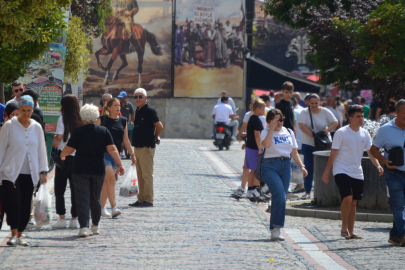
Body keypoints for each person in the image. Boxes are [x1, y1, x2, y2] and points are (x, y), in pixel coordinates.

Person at [60, 104, 125, 237]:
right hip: (98, 169)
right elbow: (112, 149)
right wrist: (120, 164)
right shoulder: (103, 131)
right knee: (95, 198)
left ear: (82, 117)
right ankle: (95, 226)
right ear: (96, 116)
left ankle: (84, 227)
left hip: (80, 169)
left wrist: (62, 155)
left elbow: (69, 149)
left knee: (82, 198)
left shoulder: (78, 131)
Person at [322, 105, 383, 239]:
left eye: (362, 116)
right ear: (350, 118)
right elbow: (333, 153)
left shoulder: (365, 133)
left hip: (357, 171)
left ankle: (351, 231)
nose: (361, 119)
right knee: (348, 197)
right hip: (341, 169)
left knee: (354, 202)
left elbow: (370, 152)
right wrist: (326, 172)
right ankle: (344, 227)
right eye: (358, 116)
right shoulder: (341, 132)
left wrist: (378, 165)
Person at [0, 96, 48, 246]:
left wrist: (43, 171)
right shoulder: (9, 126)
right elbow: (1, 149)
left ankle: (20, 234)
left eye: (29, 110)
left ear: (32, 110)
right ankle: (13, 234)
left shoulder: (36, 127)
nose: (26, 113)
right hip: (11, 172)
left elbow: (41, 150)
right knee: (13, 203)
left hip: (30, 173)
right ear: (18, 110)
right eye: (23, 110)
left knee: (26, 204)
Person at [260, 108, 307, 240]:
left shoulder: (288, 131)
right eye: (276, 120)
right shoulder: (265, 132)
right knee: (279, 194)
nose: (280, 122)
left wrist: (301, 166)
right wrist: (271, 129)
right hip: (270, 165)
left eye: (281, 119)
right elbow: (266, 144)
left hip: (285, 165)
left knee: (280, 197)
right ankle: (276, 229)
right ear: (269, 121)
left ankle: (275, 228)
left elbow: (294, 152)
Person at [370, 99, 405, 246]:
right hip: (394, 173)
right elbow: (373, 150)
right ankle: (403, 233)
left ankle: (394, 236)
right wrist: (384, 162)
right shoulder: (386, 129)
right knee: (398, 205)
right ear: (396, 112)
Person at [96, 98, 136, 217]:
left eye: (119, 105)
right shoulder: (102, 120)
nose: (118, 107)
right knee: (111, 180)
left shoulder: (123, 121)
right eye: (115, 105)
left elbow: (126, 140)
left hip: (116, 155)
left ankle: (101, 208)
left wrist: (132, 154)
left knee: (106, 183)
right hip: (103, 154)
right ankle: (114, 207)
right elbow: (92, 134)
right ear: (109, 108)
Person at [51, 95, 83, 229]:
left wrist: (53, 138)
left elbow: (59, 136)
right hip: (77, 158)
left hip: (63, 158)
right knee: (76, 190)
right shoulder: (80, 119)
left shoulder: (62, 118)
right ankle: (74, 219)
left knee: (59, 189)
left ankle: (62, 218)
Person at [298, 94, 338, 198]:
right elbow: (301, 126)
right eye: (312, 103)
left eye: (316, 103)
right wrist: (314, 135)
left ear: (319, 102)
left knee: (325, 168)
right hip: (308, 143)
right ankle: (307, 191)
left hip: (323, 144)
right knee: (308, 168)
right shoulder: (304, 112)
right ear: (308, 103)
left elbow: (335, 122)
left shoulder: (325, 111)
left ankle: (325, 191)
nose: (314, 105)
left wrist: (328, 130)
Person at [129, 88, 163, 208]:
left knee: (147, 175)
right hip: (137, 147)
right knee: (140, 175)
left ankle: (149, 199)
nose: (138, 99)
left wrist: (155, 137)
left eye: (140, 96)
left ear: (146, 98)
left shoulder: (149, 110)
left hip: (146, 147)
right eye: (136, 97)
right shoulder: (138, 110)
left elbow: (159, 126)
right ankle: (141, 199)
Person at [245, 99, 267, 199]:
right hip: (254, 148)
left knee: (252, 170)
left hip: (250, 147)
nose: (264, 110)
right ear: (258, 109)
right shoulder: (257, 120)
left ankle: (250, 189)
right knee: (256, 170)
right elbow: (257, 135)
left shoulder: (251, 118)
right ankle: (253, 189)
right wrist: (260, 148)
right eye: (263, 109)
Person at [291, 95, 305, 193]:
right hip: (303, 140)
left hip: (295, 140)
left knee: (296, 164)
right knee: (300, 163)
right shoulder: (304, 110)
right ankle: (301, 184)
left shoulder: (293, 112)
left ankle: (300, 184)